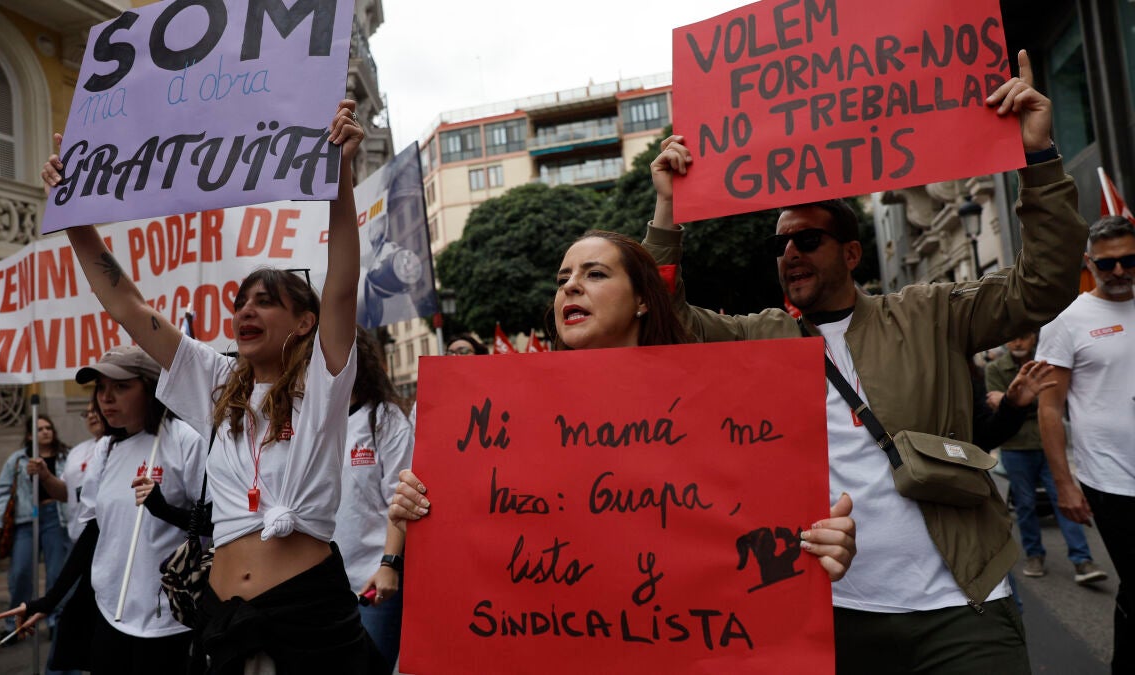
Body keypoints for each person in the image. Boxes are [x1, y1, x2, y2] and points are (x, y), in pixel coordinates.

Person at [629, 49, 1085, 672]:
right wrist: (667, 210)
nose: (790, 253)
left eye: (807, 239)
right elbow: (665, 322)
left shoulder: (929, 312)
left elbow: (1044, 284)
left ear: (849, 254)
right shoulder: (760, 337)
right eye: (780, 244)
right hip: (830, 611)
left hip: (961, 607)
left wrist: (1037, 156)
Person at [41, 101, 384, 674]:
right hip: (223, 623)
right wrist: (75, 216)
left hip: (307, 620)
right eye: (240, 303)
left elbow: (343, 284)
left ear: (305, 322)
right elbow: (128, 306)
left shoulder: (323, 380)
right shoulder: (216, 383)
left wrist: (339, 177)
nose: (245, 311)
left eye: (265, 302)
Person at [390, 229, 859, 583]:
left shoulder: (721, 407)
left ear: (641, 301)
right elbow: (488, 534)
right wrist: (424, 509)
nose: (571, 287)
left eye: (594, 274)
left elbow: (762, 533)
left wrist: (820, 547)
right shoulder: (503, 420)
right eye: (562, 279)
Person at [0, 346, 207, 674]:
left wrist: (163, 510)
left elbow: (216, 524)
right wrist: (49, 600)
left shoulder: (186, 440)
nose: (106, 398)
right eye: (101, 388)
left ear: (151, 388)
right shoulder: (105, 449)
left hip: (167, 618)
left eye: (121, 387)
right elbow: (95, 531)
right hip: (109, 612)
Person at [1036, 214, 1135, 673]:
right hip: (1110, 479)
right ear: (1088, 262)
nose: (1119, 271)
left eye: (1129, 260)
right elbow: (1049, 408)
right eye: (1107, 263)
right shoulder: (1068, 321)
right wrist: (1064, 484)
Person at [986, 333, 1107, 584]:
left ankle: (1082, 560)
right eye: (1012, 338)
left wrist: (1016, 402)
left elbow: (1054, 402)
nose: (1017, 342)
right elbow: (997, 406)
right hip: (1016, 446)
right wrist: (1035, 404)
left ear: (1033, 339)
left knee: (1065, 498)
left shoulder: (1048, 364)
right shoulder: (995, 368)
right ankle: (1034, 555)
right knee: (1025, 504)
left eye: (1023, 337)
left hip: (1048, 443)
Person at [334, 327, 414, 669]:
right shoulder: (311, 424)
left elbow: (401, 499)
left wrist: (389, 566)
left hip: (373, 585)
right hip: (323, 587)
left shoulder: (384, 419)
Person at [0, 413, 71, 642]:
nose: (45, 432)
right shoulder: (18, 460)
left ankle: (54, 620)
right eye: (39, 429)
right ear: (30, 435)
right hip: (26, 519)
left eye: (48, 428)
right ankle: (15, 624)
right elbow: (2, 491)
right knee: (21, 573)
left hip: (56, 518)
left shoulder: (65, 457)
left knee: (56, 574)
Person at [64, 402, 105, 543]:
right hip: (77, 531)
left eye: (95, 411)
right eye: (87, 414)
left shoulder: (119, 445)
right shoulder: (76, 451)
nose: (91, 416)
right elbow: (65, 491)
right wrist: (45, 476)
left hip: (104, 531)